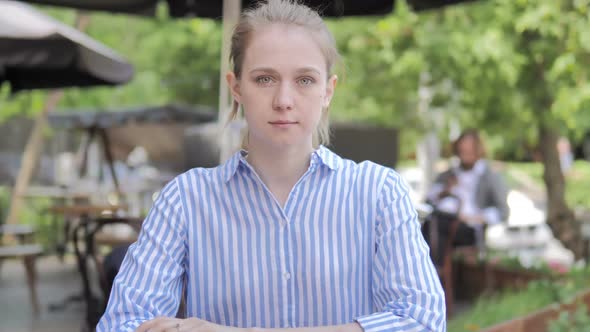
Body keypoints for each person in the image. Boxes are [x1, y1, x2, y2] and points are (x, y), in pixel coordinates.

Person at [97, 1, 445, 331]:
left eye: (305, 80)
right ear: (236, 88)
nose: (283, 101)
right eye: (264, 78)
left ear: (328, 90)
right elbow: (121, 323)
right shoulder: (185, 200)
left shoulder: (379, 191)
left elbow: (424, 321)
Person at [425, 129, 509, 260]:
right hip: (443, 220)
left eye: (468, 151)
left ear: (477, 151)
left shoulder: (489, 176)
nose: (464, 155)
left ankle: (435, 270)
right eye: (461, 151)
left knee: (437, 227)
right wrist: (446, 191)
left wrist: (476, 218)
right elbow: (428, 201)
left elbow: (503, 211)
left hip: (469, 229)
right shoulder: (449, 174)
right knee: (431, 224)